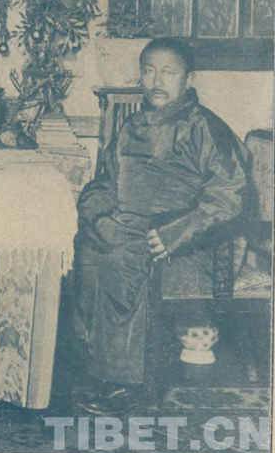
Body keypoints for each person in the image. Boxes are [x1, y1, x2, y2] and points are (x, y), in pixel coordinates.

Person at [69, 37, 249, 414]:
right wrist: (98, 217)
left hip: (183, 238)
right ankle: (99, 371)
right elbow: (106, 181)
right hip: (128, 225)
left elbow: (229, 196)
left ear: (189, 79)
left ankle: (130, 383)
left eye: (168, 72)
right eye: (149, 71)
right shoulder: (131, 124)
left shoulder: (203, 126)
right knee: (88, 247)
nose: (157, 81)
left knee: (120, 259)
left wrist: (173, 234)